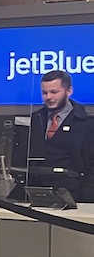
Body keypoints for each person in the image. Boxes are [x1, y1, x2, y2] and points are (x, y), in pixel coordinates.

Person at [28, 69, 94, 201]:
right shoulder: (36, 118)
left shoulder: (87, 122)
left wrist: (87, 196)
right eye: (44, 93)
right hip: (39, 193)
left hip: (77, 195)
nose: (48, 97)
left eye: (54, 92)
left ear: (69, 91)